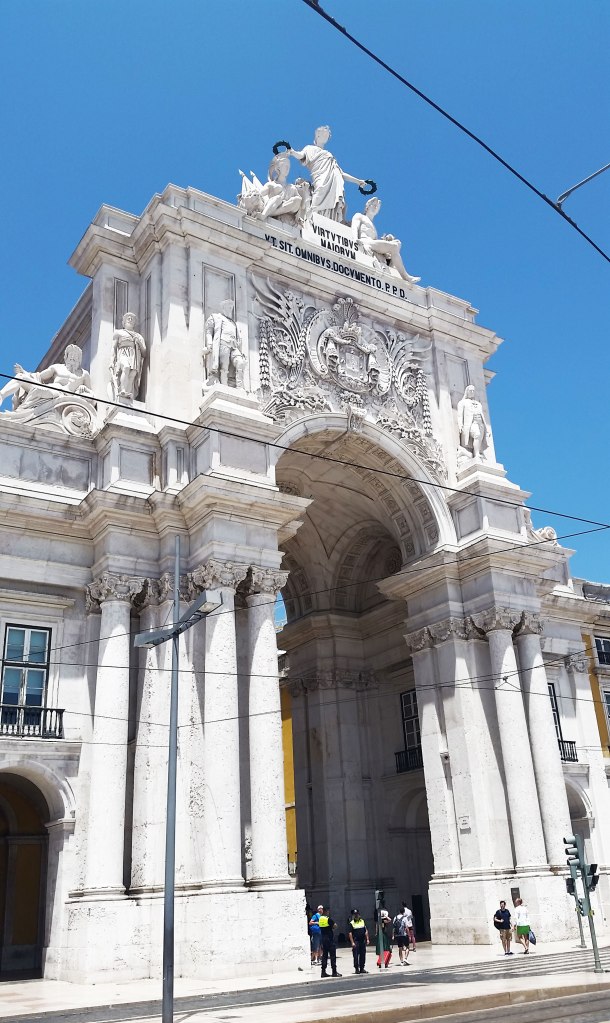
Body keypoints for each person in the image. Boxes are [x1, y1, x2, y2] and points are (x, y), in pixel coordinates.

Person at [288, 126, 366, 222]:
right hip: (320, 177)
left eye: (327, 135)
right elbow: (301, 155)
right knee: (320, 190)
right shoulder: (310, 148)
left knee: (335, 200)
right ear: (317, 135)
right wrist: (292, 152)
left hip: (334, 179)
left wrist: (358, 182)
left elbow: (341, 173)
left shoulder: (329, 155)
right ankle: (312, 216)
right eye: (324, 134)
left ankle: (328, 221)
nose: (326, 136)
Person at [0, 344, 93, 413]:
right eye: (71, 355)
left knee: (36, 388)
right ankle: (1, 395)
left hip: (59, 394)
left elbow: (92, 396)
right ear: (66, 357)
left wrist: (84, 389)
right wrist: (24, 372)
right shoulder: (57, 367)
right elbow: (39, 376)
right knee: (21, 377)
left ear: (79, 359)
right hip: (50, 389)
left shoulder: (84, 374)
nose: (73, 357)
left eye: (75, 355)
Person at [352, 198, 420, 283]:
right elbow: (354, 227)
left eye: (377, 207)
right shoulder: (359, 216)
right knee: (394, 246)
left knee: (397, 243)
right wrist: (355, 240)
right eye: (373, 205)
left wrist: (386, 241)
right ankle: (406, 276)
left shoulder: (373, 226)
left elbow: (375, 241)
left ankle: (398, 271)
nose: (375, 207)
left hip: (371, 243)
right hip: (365, 241)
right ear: (367, 207)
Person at [203, 299, 246, 389]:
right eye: (228, 307)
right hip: (223, 343)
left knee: (240, 363)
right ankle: (224, 386)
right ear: (223, 307)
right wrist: (210, 344)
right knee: (224, 367)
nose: (230, 309)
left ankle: (240, 386)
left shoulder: (233, 323)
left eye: (231, 307)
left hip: (234, 346)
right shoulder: (216, 317)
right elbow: (209, 331)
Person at [110, 311, 146, 401]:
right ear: (124, 321)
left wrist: (138, 342)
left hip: (134, 355)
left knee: (132, 374)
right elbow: (113, 348)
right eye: (128, 318)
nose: (130, 319)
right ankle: (122, 390)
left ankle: (129, 394)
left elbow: (144, 352)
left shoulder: (138, 336)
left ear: (134, 323)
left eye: (132, 318)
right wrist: (111, 361)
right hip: (123, 353)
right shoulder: (118, 333)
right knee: (125, 367)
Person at [457, 384, 490, 459]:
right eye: (470, 390)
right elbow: (460, 415)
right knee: (477, 434)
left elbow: (482, 416)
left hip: (480, 423)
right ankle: (477, 454)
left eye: (473, 390)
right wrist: (460, 425)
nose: (472, 392)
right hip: (471, 423)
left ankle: (476, 453)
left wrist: (486, 430)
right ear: (467, 391)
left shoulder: (478, 404)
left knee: (479, 438)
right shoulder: (462, 402)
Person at [318, 906, 341, 977]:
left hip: (323, 939)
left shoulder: (320, 919)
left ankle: (323, 972)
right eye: (328, 911)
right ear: (325, 911)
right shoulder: (328, 919)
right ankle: (334, 972)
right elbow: (335, 926)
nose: (328, 912)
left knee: (324, 956)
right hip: (330, 940)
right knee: (332, 956)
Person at [348, 909, 369, 974]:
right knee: (356, 955)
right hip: (356, 941)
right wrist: (352, 942)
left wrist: (367, 939)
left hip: (362, 941)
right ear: (353, 915)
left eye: (357, 914)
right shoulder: (351, 923)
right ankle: (357, 968)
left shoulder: (362, 921)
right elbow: (350, 933)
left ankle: (362, 968)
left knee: (363, 955)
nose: (356, 915)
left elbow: (366, 931)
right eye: (355, 914)